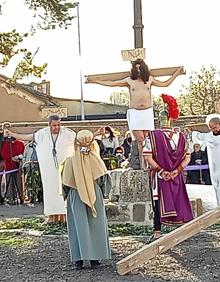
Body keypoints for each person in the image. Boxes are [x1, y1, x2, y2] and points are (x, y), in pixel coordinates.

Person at [86, 59, 183, 167]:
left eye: (140, 68)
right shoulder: (129, 81)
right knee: (140, 139)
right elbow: (112, 83)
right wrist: (95, 80)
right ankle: (142, 164)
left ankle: (148, 162)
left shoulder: (149, 80)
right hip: (135, 113)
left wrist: (176, 74)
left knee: (147, 139)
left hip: (147, 112)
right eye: (136, 68)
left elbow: (165, 84)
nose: (138, 70)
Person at [4, 115, 76, 223]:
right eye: (54, 125)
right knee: (50, 191)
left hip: (63, 168)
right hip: (48, 169)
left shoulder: (67, 133)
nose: (57, 127)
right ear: (49, 125)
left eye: (58, 125)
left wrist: (96, 134)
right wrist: (12, 134)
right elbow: (28, 137)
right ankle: (52, 217)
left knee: (63, 190)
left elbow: (81, 139)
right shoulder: (43, 133)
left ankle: (64, 216)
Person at [61, 130, 111, 270]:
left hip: (75, 194)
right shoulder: (96, 160)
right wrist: (102, 193)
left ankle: (79, 259)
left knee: (78, 226)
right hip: (94, 193)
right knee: (96, 224)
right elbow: (104, 180)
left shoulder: (69, 161)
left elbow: (65, 182)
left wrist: (67, 195)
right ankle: (95, 258)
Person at [143, 105, 193, 241]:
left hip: (160, 176)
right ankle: (181, 230)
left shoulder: (152, 135)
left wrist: (161, 170)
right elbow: (187, 157)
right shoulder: (181, 136)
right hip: (177, 174)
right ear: (171, 120)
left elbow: (147, 156)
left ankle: (158, 231)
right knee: (178, 198)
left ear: (159, 120)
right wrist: (176, 171)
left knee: (157, 201)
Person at [186, 114, 220, 206]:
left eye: (216, 127)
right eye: (212, 128)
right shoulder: (208, 136)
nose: (214, 130)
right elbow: (194, 132)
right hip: (214, 167)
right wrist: (191, 129)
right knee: (217, 186)